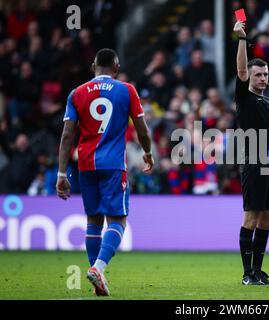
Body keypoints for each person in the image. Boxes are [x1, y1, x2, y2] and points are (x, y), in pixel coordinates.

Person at [56, 48, 154, 296]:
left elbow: (67, 135)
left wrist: (60, 174)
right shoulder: (126, 90)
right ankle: (98, 269)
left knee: (93, 220)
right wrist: (148, 152)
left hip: (85, 165)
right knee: (118, 220)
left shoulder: (76, 93)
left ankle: (96, 279)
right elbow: (141, 128)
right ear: (117, 67)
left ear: (93, 67)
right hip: (112, 164)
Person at [233, 20, 269, 285]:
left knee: (267, 216)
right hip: (253, 160)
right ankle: (247, 272)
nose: (263, 78)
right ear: (250, 77)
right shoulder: (245, 97)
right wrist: (242, 40)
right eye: (258, 74)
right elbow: (240, 69)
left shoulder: (267, 100)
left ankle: (258, 270)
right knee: (251, 216)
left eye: (265, 74)